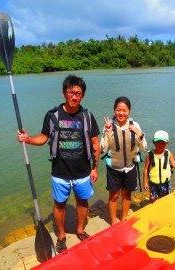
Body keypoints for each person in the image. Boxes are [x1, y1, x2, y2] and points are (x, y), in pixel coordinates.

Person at [17, 74, 100, 253]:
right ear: (64, 93)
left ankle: (80, 230)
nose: (74, 96)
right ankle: (61, 236)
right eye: (71, 92)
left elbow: (95, 143)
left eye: (78, 93)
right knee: (59, 204)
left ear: (82, 95)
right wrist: (28, 139)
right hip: (60, 171)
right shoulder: (52, 115)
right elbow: (43, 138)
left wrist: (95, 167)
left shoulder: (87, 116)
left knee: (82, 202)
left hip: (83, 171)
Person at [100, 96, 147, 226]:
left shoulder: (135, 125)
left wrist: (139, 133)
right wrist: (108, 133)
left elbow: (143, 148)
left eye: (124, 110)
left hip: (130, 167)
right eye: (118, 110)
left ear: (129, 111)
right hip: (114, 168)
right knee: (114, 196)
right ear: (114, 110)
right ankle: (113, 222)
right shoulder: (109, 126)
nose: (121, 113)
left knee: (126, 195)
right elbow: (103, 149)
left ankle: (124, 219)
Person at [143, 130, 175, 203]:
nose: (160, 144)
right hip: (153, 184)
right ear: (154, 142)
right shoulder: (150, 155)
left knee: (166, 201)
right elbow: (146, 169)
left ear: (167, 143)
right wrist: (145, 182)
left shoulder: (168, 154)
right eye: (158, 142)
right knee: (154, 202)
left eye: (163, 142)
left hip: (165, 184)